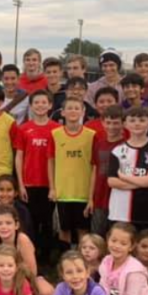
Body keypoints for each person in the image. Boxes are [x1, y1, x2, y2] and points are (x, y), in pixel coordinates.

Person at [106, 106, 148, 232]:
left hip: (146, 212)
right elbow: (112, 182)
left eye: (142, 120)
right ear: (125, 124)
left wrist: (124, 177)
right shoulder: (117, 150)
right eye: (132, 120)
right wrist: (144, 181)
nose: (137, 123)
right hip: (119, 211)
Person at [50, 98, 96, 246]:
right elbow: (50, 161)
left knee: (83, 230)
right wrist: (52, 188)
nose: (73, 111)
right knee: (64, 230)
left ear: (83, 112)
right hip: (63, 192)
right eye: (69, 108)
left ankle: (83, 262)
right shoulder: (55, 134)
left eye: (77, 108)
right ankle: (66, 260)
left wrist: (91, 195)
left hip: (83, 192)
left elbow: (95, 165)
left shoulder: (91, 135)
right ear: (62, 112)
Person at [16, 91, 58, 251]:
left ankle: (47, 255)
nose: (40, 106)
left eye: (43, 102)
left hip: (49, 184)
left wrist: (55, 186)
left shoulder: (57, 129)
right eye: (36, 103)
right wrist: (20, 184)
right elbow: (19, 157)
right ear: (31, 106)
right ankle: (31, 253)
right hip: (29, 182)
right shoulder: (24, 129)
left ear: (50, 105)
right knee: (30, 221)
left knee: (47, 220)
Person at [89, 105, 126, 236]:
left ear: (123, 123)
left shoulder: (126, 145)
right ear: (102, 123)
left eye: (116, 123)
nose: (111, 127)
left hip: (119, 197)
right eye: (108, 123)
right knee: (97, 236)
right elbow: (94, 170)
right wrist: (90, 198)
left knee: (117, 234)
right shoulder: (99, 144)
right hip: (100, 197)